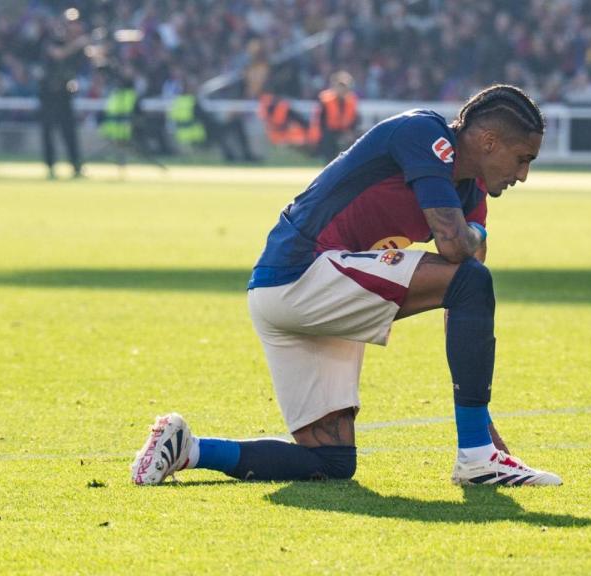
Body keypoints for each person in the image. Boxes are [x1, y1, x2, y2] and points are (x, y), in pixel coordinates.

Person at [131, 84, 562, 487]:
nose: (523, 174)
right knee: (469, 278)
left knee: (331, 462)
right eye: (523, 158)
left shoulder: (471, 193)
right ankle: (476, 458)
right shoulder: (424, 134)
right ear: (488, 142)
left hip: (291, 294)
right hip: (303, 272)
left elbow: (465, 296)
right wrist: (474, 239)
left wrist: (481, 422)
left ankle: (187, 448)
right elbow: (457, 250)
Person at [38, 16, 89, 179]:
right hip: (49, 93)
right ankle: (50, 166)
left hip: (64, 93)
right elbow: (58, 54)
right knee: (48, 131)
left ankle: (75, 166)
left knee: (69, 131)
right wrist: (78, 44)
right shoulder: (53, 40)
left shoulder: (77, 46)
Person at [309, 71, 359, 163]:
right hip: (329, 132)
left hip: (344, 132)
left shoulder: (351, 101)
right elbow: (320, 121)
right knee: (329, 151)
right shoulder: (325, 100)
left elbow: (355, 119)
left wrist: (350, 132)